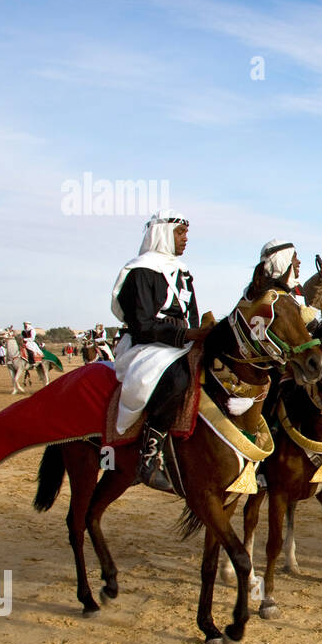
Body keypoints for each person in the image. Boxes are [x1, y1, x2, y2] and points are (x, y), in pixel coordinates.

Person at [110, 210, 204, 491]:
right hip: (147, 346)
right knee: (177, 379)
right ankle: (148, 458)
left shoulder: (183, 271)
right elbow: (141, 324)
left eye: (186, 233)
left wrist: (198, 335)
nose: (185, 238)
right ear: (162, 233)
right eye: (180, 232)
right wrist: (184, 334)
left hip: (181, 342)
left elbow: (193, 316)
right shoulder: (139, 271)